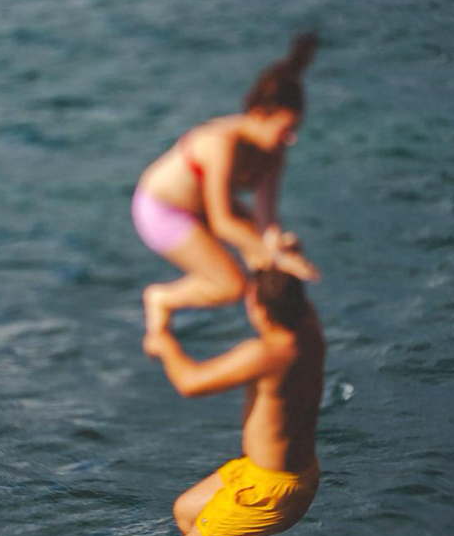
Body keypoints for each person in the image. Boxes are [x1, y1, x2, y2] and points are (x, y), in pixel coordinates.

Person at [143, 267, 326, 536]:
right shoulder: (310, 334)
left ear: (261, 311)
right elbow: (294, 295)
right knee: (187, 511)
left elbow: (190, 383)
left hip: (271, 491)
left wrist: (166, 343)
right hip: (267, 472)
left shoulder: (265, 354)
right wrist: (286, 258)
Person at [133, 31, 323, 334]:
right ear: (260, 115)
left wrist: (276, 247)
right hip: (162, 209)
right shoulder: (219, 143)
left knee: (269, 262)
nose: (291, 138)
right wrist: (272, 253)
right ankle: (161, 298)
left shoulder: (274, 151)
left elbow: (266, 219)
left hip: (205, 204)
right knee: (230, 286)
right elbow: (222, 223)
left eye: (295, 129)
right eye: (285, 128)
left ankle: (280, 335)